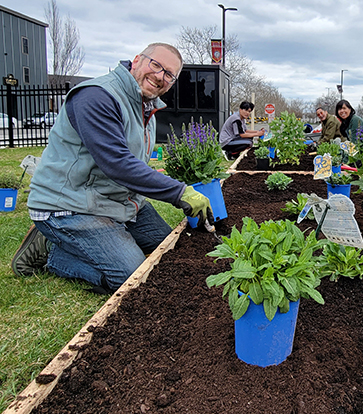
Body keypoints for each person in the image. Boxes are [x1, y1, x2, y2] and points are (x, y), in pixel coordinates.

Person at [11, 43, 213, 294]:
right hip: (70, 205)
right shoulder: (97, 96)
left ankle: (92, 242)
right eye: (156, 65)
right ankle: (51, 253)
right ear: (137, 60)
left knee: (167, 248)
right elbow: (117, 163)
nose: (160, 76)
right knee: (133, 277)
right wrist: (178, 192)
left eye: (169, 74)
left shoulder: (145, 105)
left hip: (115, 201)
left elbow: (133, 162)